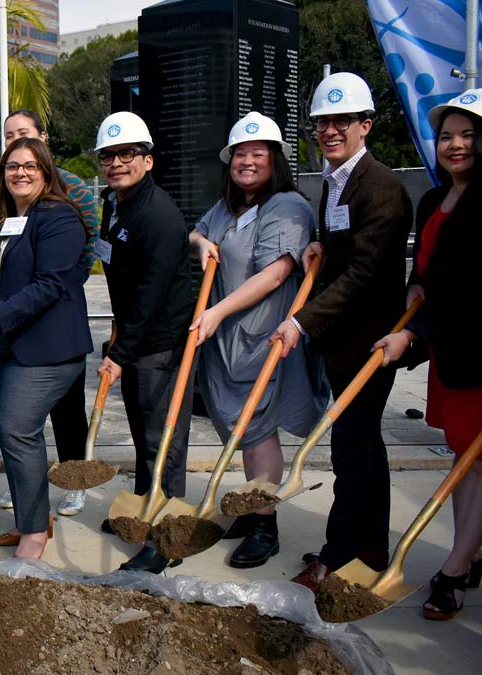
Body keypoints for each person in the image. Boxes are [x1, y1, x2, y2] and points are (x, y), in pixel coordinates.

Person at [270, 72, 413, 591]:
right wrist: (322, 252)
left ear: (365, 125)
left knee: (353, 450)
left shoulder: (382, 187)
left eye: (341, 121)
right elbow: (345, 255)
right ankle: (367, 549)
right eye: (322, 122)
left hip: (369, 343)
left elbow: (366, 274)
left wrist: (300, 321)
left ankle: (339, 555)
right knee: (360, 448)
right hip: (342, 343)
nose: (330, 131)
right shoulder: (333, 182)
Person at [374, 89, 482, 620]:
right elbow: (429, 272)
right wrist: (414, 290)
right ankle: (469, 551)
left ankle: (451, 570)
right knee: (464, 458)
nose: (454, 145)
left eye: (467, 135)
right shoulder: (434, 199)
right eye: (446, 135)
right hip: (448, 353)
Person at [188, 113, 328, 569]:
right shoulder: (230, 206)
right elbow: (199, 230)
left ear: (275, 159)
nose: (247, 162)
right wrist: (198, 242)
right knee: (241, 429)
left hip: (264, 334)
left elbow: (276, 273)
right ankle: (252, 508)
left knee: (259, 428)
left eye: (257, 153)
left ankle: (265, 524)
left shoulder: (286, 206)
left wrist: (216, 312)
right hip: (227, 336)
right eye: (239, 154)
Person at [0, 137, 92, 560]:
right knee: (18, 435)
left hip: (49, 348)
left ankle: (35, 534)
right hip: (6, 346)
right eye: (12, 166)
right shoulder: (1, 217)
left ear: (45, 171)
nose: (20, 173)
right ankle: (31, 519)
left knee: (16, 429)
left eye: (30, 166)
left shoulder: (59, 217)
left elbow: (51, 284)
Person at [94, 111, 195, 574]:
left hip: (160, 345)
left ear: (148, 160)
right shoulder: (116, 203)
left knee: (163, 441)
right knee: (142, 435)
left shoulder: (157, 214)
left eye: (127, 154)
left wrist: (120, 352)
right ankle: (142, 510)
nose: (117, 163)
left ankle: (167, 538)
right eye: (109, 156)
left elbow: (151, 295)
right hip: (137, 337)